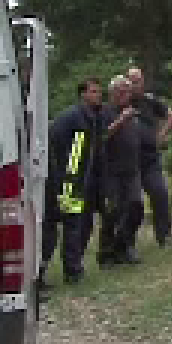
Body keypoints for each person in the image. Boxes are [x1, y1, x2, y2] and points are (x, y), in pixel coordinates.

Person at [44, 79, 104, 285]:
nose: (99, 95)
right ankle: (71, 271)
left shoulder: (86, 117)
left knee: (67, 225)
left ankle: (66, 268)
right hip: (67, 180)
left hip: (67, 178)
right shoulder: (78, 119)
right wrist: (73, 182)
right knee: (70, 225)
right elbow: (75, 155)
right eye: (94, 91)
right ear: (83, 94)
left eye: (99, 91)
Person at [96, 76, 146, 266]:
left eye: (128, 91)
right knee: (112, 211)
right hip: (111, 170)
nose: (126, 95)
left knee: (136, 207)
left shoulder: (133, 113)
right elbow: (101, 137)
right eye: (122, 91)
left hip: (132, 169)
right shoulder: (105, 112)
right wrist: (120, 120)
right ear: (113, 93)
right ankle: (106, 253)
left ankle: (124, 246)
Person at [126, 67, 172, 246]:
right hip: (129, 162)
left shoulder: (150, 100)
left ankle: (165, 236)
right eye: (131, 81)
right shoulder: (121, 101)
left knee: (160, 194)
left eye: (137, 81)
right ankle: (127, 242)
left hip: (150, 159)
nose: (134, 85)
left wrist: (161, 135)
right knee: (132, 203)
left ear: (142, 82)